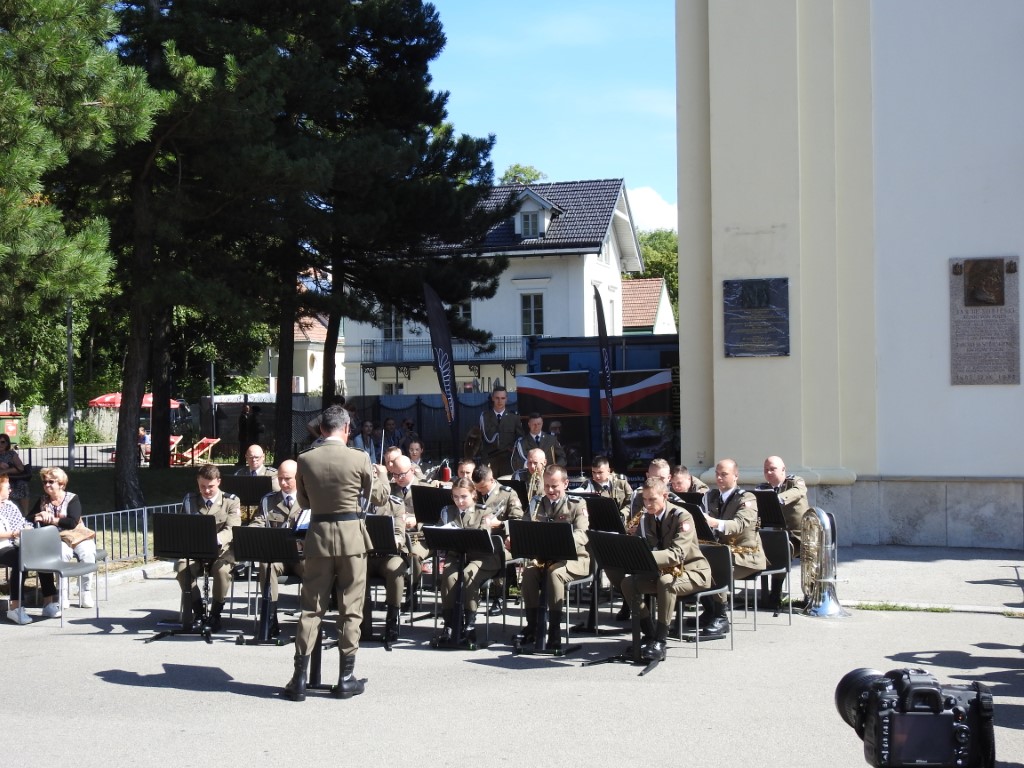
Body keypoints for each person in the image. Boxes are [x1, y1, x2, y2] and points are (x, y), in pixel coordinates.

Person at [285, 405, 374, 702]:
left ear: (322, 430)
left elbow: (304, 501)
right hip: (352, 539)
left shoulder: (305, 459)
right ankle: (345, 678)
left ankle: (299, 679)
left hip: (319, 537)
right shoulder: (359, 457)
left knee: (311, 608)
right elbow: (373, 496)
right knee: (350, 609)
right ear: (347, 428)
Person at [620, 478, 711, 661]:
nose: (647, 504)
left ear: (665, 496)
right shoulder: (646, 518)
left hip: (692, 571)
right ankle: (649, 633)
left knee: (666, 582)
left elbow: (677, 554)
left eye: (652, 499)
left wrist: (644, 557)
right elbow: (641, 547)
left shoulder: (682, 517)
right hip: (663, 571)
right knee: (628, 583)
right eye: (645, 499)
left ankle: (661, 640)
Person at [514, 465, 589, 651]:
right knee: (529, 574)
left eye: (554, 486)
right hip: (544, 557)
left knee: (554, 574)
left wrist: (561, 542)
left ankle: (555, 631)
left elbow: (582, 534)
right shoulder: (537, 503)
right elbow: (524, 527)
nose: (550, 490)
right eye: (546, 486)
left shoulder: (577, 504)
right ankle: (533, 627)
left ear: (565, 483)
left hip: (573, 558)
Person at [701, 458, 766, 639]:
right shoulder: (712, 497)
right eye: (717, 474)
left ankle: (721, 618)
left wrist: (714, 522)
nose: (719, 478)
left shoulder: (747, 498)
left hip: (746, 556)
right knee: (697, 563)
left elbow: (739, 524)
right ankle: (710, 610)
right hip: (723, 553)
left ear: (736, 476)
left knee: (717, 568)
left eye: (724, 474)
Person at [434, 478, 501, 645]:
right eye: (455, 497)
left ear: (473, 494)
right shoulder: (448, 512)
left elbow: (483, 537)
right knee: (449, 578)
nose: (460, 501)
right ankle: (450, 624)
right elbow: (439, 533)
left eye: (464, 496)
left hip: (481, 557)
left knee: (468, 575)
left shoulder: (483, 511)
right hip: (457, 556)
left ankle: (470, 625)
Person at [176, 464, 240, 631]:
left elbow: (232, 529)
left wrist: (215, 539)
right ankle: (198, 612)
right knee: (182, 570)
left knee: (221, 571)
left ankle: (215, 614)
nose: (206, 490)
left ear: (218, 481)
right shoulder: (190, 500)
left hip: (221, 552)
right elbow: (182, 525)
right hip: (196, 551)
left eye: (210, 486)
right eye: (202, 486)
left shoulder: (231, 501)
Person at [248, 460, 306, 637]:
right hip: (277, 555)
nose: (283, 483)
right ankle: (270, 616)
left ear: (298, 477)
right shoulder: (269, 500)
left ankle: (309, 619)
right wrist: (252, 532)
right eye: (280, 478)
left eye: (287, 479)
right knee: (266, 566)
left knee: (315, 570)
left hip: (302, 556)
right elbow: (257, 523)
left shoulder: (310, 499)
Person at [30, 467, 97, 611]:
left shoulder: (72, 498)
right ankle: (63, 594)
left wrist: (52, 520)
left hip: (77, 535)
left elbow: (72, 522)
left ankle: (85, 591)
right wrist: (39, 515)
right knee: (61, 554)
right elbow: (29, 517)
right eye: (44, 482)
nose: (47, 485)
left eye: (51, 482)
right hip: (57, 538)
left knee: (88, 553)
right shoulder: (42, 500)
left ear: (61, 484)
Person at [757, 455, 809, 607]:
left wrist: (776, 498)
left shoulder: (794, 481)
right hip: (780, 536)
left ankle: (809, 596)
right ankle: (774, 595)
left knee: (780, 550)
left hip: (800, 536)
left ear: (783, 470)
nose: (769, 473)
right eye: (766, 470)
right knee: (774, 549)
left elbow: (799, 491)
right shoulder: (763, 488)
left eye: (772, 469)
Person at [472, 464, 524, 616]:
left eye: (483, 487)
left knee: (497, 554)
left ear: (492, 480)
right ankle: (469, 597)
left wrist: (500, 524)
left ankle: (499, 596)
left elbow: (518, 520)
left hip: (501, 541)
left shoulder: (507, 494)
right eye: (477, 487)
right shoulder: (475, 493)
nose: (480, 491)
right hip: (479, 539)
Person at [0, 476, 32, 624]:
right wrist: (14, 534)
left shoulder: (9, 505)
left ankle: (49, 601)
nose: (10, 490)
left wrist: (27, 528)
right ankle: (15, 607)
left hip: (16, 544)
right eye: (7, 487)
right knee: (20, 559)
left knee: (36, 554)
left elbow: (21, 522)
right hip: (2, 546)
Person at [477, 385, 524, 478]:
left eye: (502, 398)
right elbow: (480, 439)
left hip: (507, 460)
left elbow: (520, 438)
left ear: (506, 399)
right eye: (497, 398)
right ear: (492, 398)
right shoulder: (484, 417)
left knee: (506, 484)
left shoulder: (514, 417)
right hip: (489, 459)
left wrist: (514, 449)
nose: (500, 401)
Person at [0, 434, 29, 515]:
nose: (0, 444)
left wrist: (5, 471)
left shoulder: (11, 454)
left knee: (23, 484)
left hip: (12, 479)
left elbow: (20, 468)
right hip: (1, 481)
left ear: (7, 443)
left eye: (3, 442)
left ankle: (25, 513)